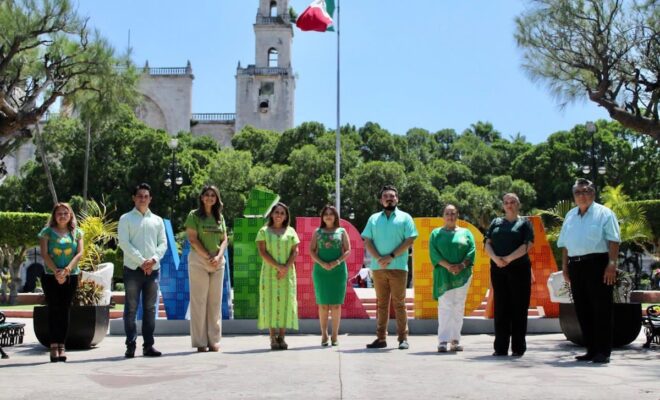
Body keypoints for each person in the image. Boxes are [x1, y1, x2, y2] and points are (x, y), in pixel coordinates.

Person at [557, 179, 620, 364]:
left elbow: (614, 241)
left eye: (585, 191)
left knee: (601, 309)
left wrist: (612, 265)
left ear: (592, 194)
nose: (582, 195)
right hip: (576, 266)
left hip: (598, 264)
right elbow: (565, 245)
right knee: (583, 309)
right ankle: (591, 350)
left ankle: (603, 352)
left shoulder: (604, 213)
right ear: (573, 196)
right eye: (578, 192)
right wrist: (565, 267)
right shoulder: (570, 216)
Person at [361, 185, 418, 350]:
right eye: (386, 196)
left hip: (398, 267)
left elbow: (409, 240)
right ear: (381, 200)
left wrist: (391, 256)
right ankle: (380, 338)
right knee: (382, 304)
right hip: (378, 268)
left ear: (397, 199)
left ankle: (403, 338)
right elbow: (367, 241)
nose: (389, 198)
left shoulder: (405, 217)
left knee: (399, 303)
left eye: (392, 196)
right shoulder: (373, 219)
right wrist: (379, 258)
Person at [118, 183, 167, 358]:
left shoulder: (158, 220)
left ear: (150, 198)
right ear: (134, 198)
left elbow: (163, 244)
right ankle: (130, 344)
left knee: (150, 309)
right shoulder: (125, 219)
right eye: (140, 196)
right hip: (133, 270)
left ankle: (148, 346)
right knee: (131, 308)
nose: (143, 199)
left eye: (146, 196)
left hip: (153, 270)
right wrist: (141, 261)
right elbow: (124, 243)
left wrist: (153, 260)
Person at [484, 193, 534, 357]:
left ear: (518, 204)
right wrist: (496, 259)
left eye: (512, 202)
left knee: (519, 308)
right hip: (498, 270)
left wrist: (508, 259)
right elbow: (487, 244)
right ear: (503, 205)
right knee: (501, 307)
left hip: (519, 269)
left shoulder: (525, 223)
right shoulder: (496, 222)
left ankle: (518, 348)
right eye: (506, 202)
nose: (509, 205)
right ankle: (500, 347)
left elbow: (528, 245)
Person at [38, 202, 83, 362]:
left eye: (65, 213)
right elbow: (44, 254)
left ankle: (62, 346)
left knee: (65, 310)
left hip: (71, 276)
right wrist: (57, 271)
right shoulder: (46, 232)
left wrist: (67, 270)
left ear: (70, 215)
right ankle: (53, 346)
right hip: (51, 276)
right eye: (59, 213)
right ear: (54, 216)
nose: (62, 216)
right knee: (53, 310)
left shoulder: (77, 233)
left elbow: (79, 253)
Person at [185, 185, 228, 352]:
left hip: (218, 262)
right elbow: (192, 239)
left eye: (213, 195)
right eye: (207, 195)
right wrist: (208, 257)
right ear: (202, 197)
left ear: (217, 199)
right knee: (199, 301)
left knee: (215, 302)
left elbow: (225, 239)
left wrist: (218, 257)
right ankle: (200, 341)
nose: (210, 198)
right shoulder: (194, 215)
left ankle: (214, 340)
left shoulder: (220, 217)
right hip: (199, 260)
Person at [429, 205, 475, 353]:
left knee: (458, 306)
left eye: (453, 213)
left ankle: (455, 340)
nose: (450, 216)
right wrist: (448, 266)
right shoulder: (436, 234)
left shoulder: (466, 233)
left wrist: (461, 266)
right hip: (443, 274)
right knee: (445, 307)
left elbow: (471, 251)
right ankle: (442, 341)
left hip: (462, 275)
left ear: (457, 215)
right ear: (443, 216)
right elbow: (434, 254)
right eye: (447, 213)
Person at [256, 202, 300, 350]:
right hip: (269, 273)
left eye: (282, 213)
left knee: (285, 303)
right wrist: (278, 266)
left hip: (287, 274)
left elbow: (295, 251)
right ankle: (272, 337)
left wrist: (285, 267)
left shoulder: (291, 231)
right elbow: (262, 252)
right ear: (272, 214)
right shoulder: (263, 231)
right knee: (269, 303)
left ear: (286, 215)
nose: (279, 215)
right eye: (276, 212)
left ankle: (282, 336)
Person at [309, 205, 351, 346]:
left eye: (331, 214)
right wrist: (322, 263)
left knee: (336, 305)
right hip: (321, 272)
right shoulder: (317, 232)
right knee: (323, 305)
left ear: (335, 217)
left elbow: (348, 250)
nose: (328, 216)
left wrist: (336, 262)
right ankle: (324, 334)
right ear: (322, 217)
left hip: (338, 272)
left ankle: (335, 336)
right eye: (325, 213)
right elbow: (312, 251)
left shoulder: (342, 231)